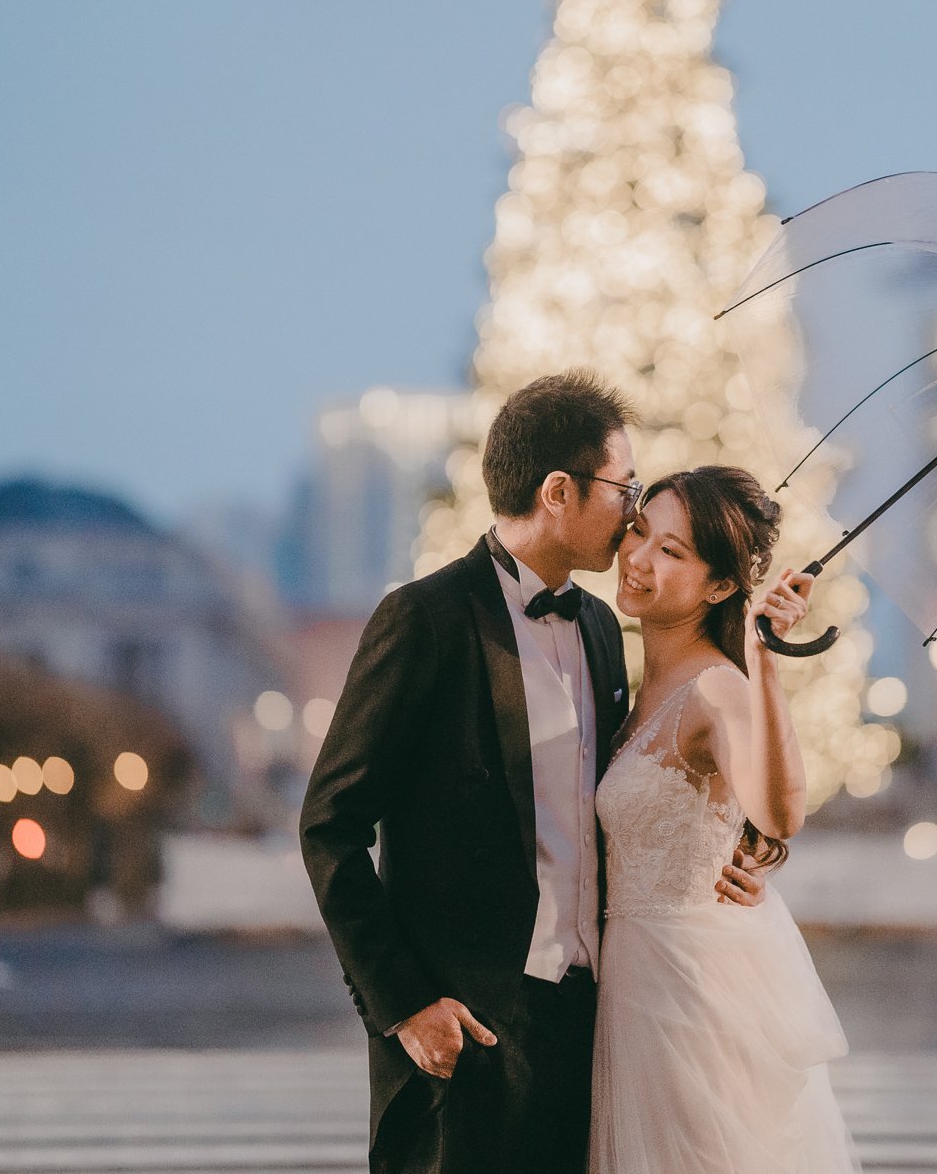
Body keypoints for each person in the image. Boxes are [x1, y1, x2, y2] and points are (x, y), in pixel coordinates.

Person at [298, 372, 767, 1174]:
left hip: (599, 1028)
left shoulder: (597, 626)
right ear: (559, 490)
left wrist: (736, 855)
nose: (632, 509)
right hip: (467, 1036)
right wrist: (405, 1005)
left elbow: (632, 793)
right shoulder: (424, 621)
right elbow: (329, 825)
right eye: (624, 487)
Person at [592, 465, 861, 1173]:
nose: (640, 558)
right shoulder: (634, 682)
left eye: (672, 551)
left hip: (686, 992)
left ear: (719, 584)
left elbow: (779, 811)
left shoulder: (718, 688)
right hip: (632, 985)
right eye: (640, 532)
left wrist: (765, 660)